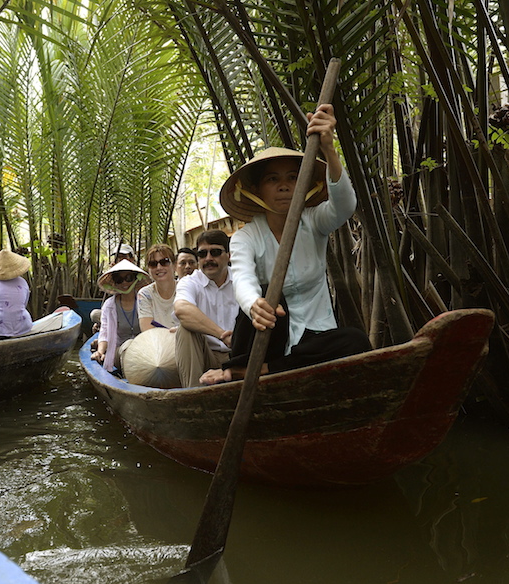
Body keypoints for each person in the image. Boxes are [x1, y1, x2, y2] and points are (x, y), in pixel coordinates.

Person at [202, 103, 371, 385]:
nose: (284, 186)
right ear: (256, 190)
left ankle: (266, 370)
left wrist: (329, 148)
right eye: (273, 179)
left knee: (355, 340)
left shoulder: (314, 221)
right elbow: (242, 279)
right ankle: (258, 365)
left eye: (292, 178)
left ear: (303, 184)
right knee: (270, 297)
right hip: (266, 337)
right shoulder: (247, 236)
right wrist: (255, 304)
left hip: (314, 340)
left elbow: (345, 206)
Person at [172, 229, 239, 387]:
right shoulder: (190, 282)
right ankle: (193, 395)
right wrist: (222, 335)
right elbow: (181, 309)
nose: (208, 258)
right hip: (206, 356)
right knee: (185, 329)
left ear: (228, 255)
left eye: (215, 252)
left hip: (240, 355)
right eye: (202, 254)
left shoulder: (241, 279)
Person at [92, 259, 150, 372]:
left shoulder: (145, 301)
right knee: (128, 346)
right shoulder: (109, 306)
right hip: (119, 351)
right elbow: (104, 333)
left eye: (128, 278)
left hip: (146, 351)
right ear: (114, 283)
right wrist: (100, 352)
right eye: (119, 280)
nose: (124, 283)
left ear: (135, 279)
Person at [137, 244, 179, 331]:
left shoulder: (186, 289)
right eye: (153, 264)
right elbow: (148, 331)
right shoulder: (145, 294)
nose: (159, 267)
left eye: (164, 262)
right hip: (157, 342)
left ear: (175, 265)